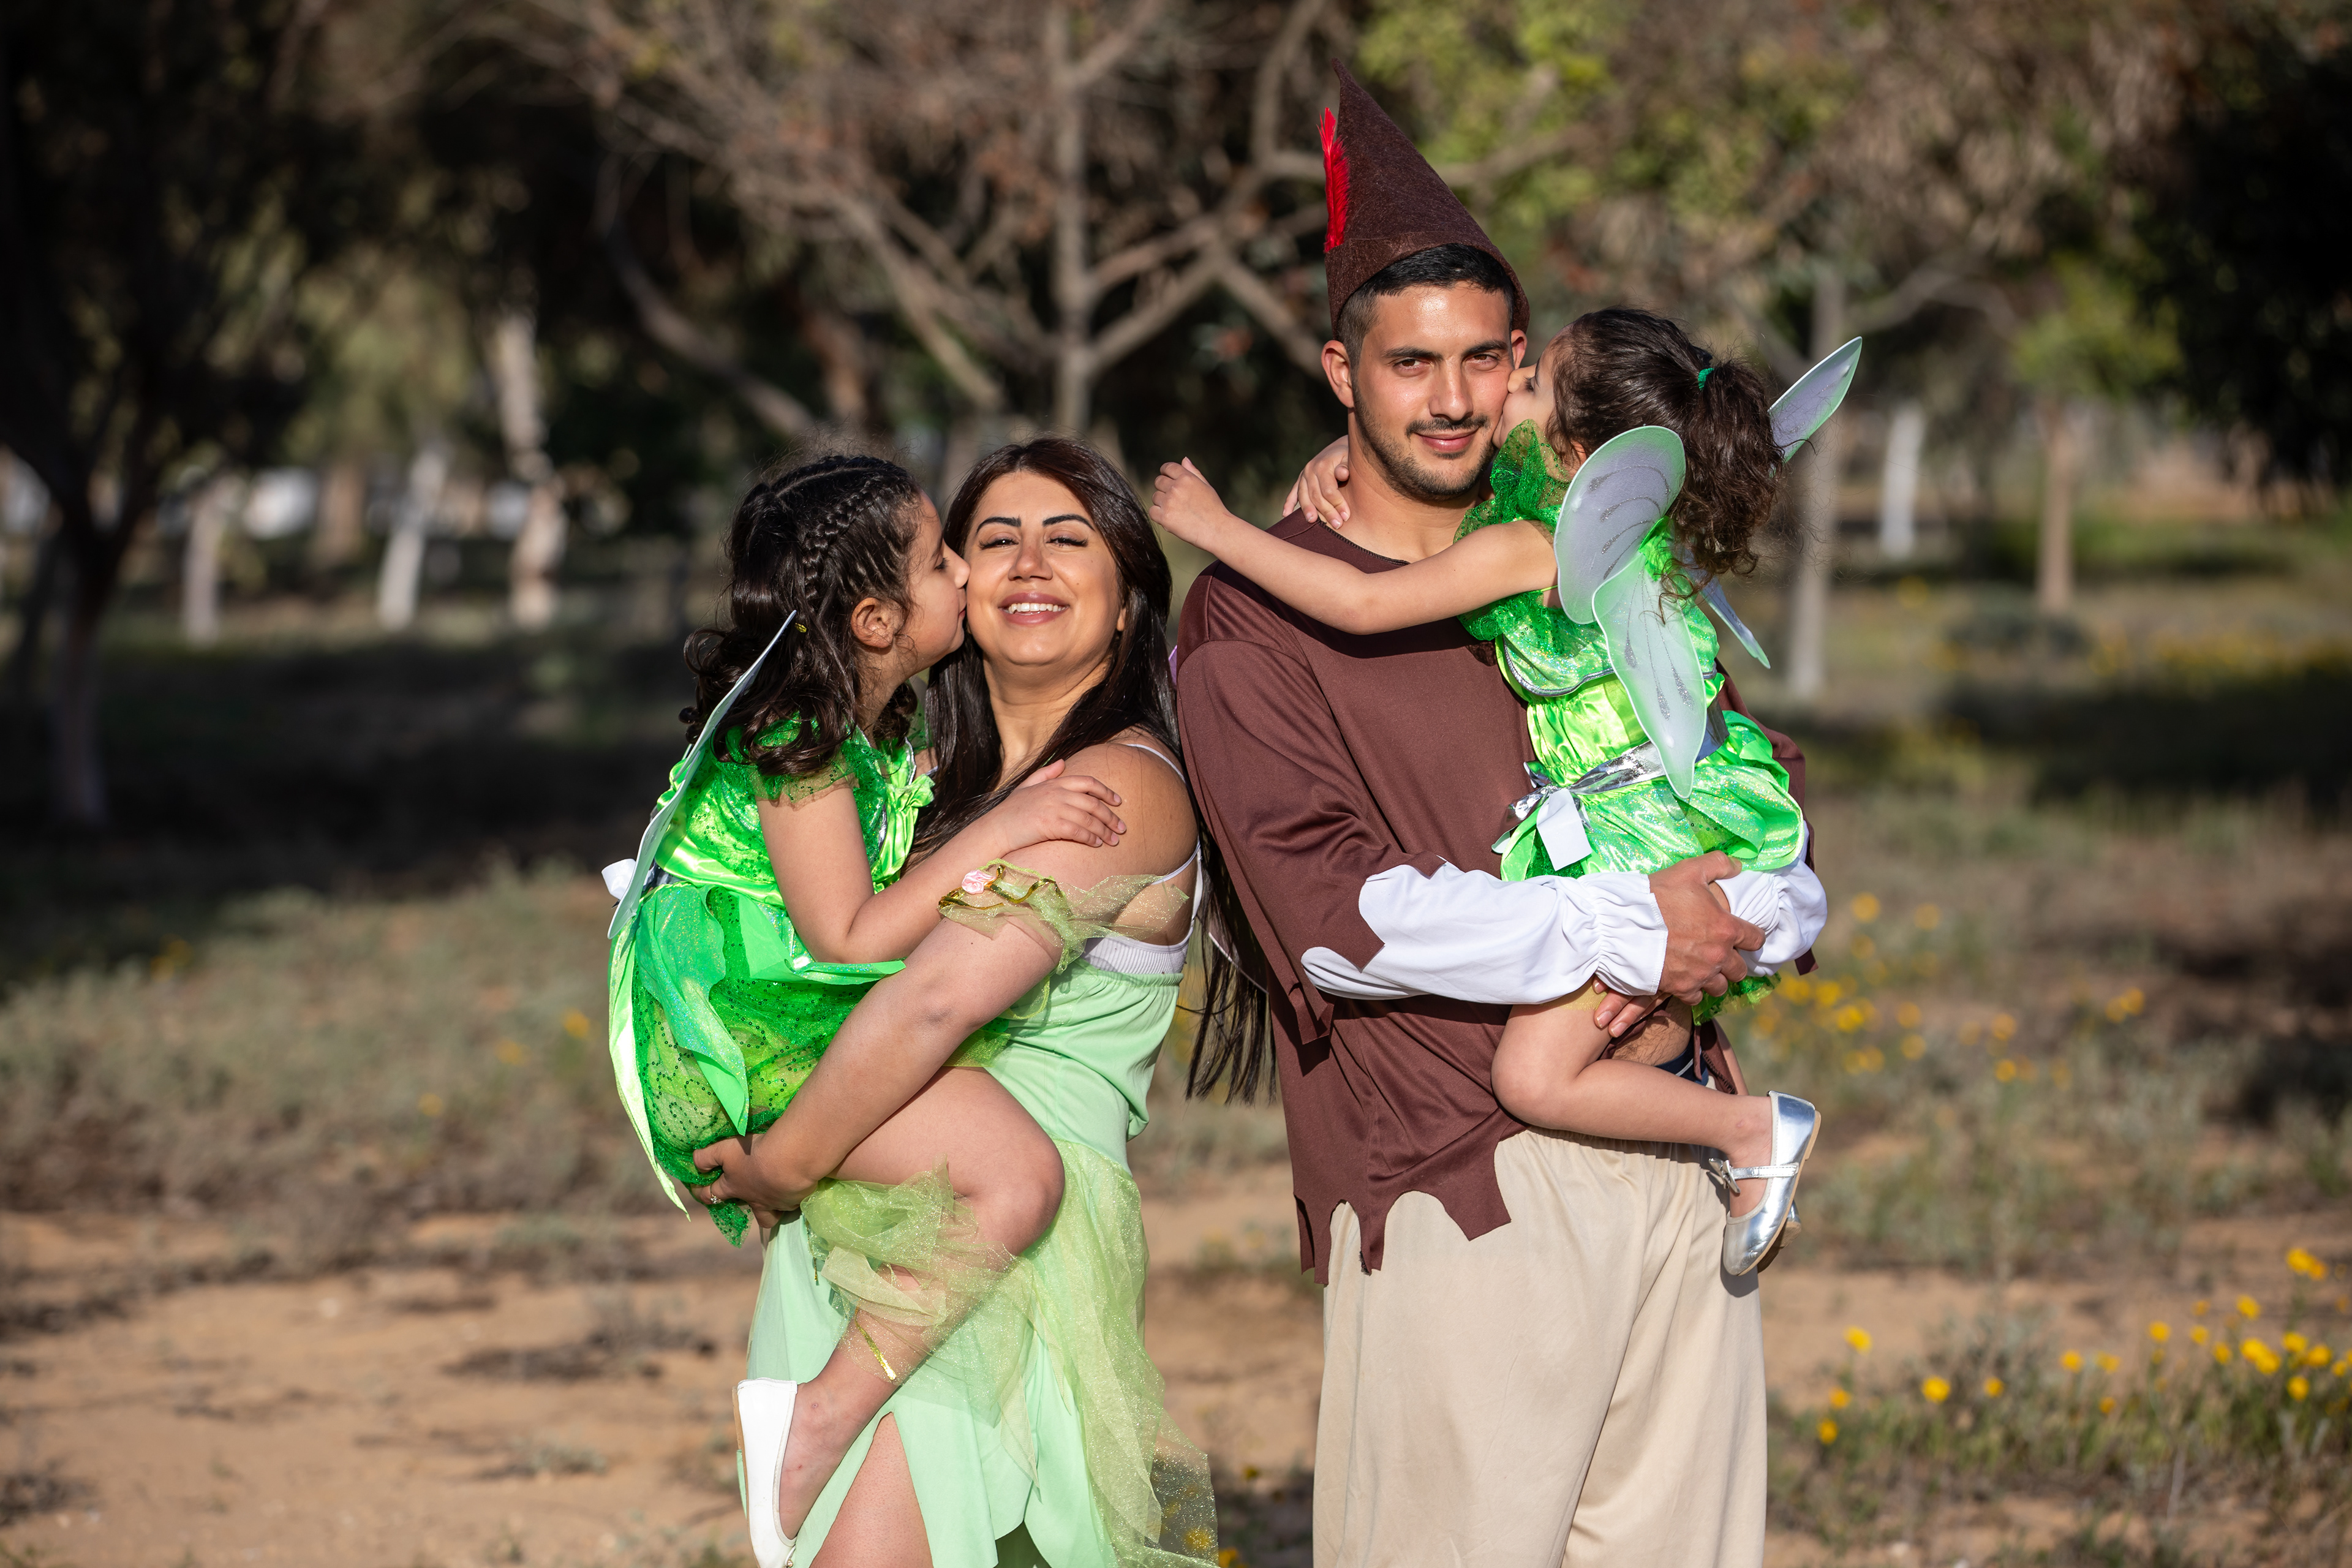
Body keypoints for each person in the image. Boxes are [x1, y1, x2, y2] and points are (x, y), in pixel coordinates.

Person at [1173, 62, 1825, 1566]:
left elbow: (1744, 771)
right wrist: (1633, 927)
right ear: (1342, 374)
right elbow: (1333, 929)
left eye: (1485, 359)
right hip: (1456, 1189)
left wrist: (1759, 919)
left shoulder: (1588, 562)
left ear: (1527, 369)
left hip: (1684, 1167)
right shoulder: (1253, 621)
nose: (1455, 397)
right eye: (1411, 363)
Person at [1152, 304, 1839, 1274]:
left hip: (1634, 834)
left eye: (1525, 384)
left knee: (1533, 1076)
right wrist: (1344, 452)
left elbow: (1363, 601)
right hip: (1702, 811)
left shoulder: (1531, 548)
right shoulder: (1647, 541)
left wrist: (1216, 529)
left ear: (1576, 450)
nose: (1493, 399)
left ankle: (1752, 1131)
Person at [603, 453, 1149, 1566]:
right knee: (1017, 1177)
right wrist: (1002, 827)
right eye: (957, 556)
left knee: (1017, 1179)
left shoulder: (889, 735)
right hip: (760, 1031)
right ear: (876, 618)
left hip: (812, 1041)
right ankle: (816, 1417)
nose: (980, 573)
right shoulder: (800, 743)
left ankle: (820, 1414)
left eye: (1065, 538)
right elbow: (853, 940)